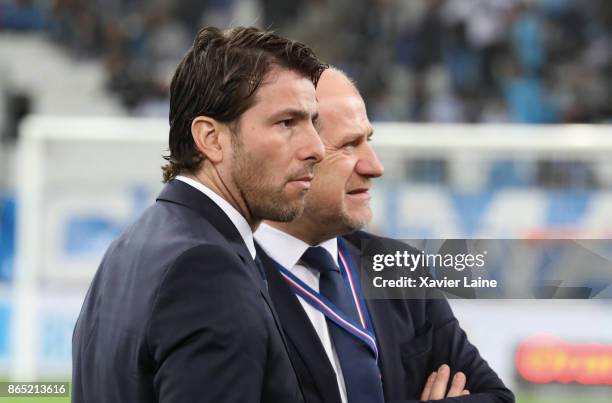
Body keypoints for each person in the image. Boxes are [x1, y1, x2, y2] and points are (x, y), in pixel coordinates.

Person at [72, 26, 326, 403]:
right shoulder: (207, 270)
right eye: (287, 122)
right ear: (210, 138)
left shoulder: (132, 244)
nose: (316, 148)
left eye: (313, 122)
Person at [254, 68, 515, 403]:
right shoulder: (231, 280)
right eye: (349, 145)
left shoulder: (400, 269)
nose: (374, 166)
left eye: (368, 141)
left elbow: (495, 396)